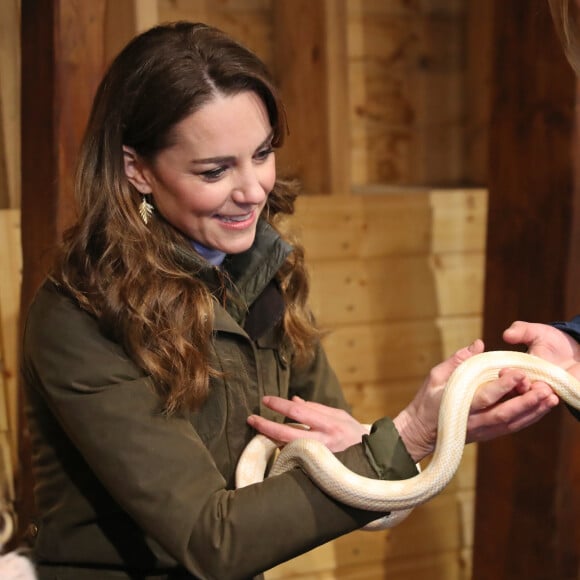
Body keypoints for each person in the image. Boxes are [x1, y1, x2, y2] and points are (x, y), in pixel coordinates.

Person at [21, 22, 559, 580]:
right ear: (138, 170)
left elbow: (342, 449)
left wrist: (439, 424)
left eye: (261, 154)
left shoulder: (263, 271)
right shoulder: (81, 315)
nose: (252, 189)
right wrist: (411, 435)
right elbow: (213, 539)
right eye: (214, 170)